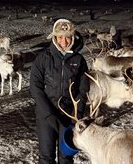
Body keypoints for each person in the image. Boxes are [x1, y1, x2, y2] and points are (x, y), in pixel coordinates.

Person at [30, 18, 90, 164]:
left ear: (73, 37)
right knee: (46, 157)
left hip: (68, 115)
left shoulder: (79, 60)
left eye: (68, 37)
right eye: (60, 37)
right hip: (46, 116)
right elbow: (35, 87)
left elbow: (83, 89)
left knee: (66, 157)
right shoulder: (43, 58)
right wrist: (48, 113)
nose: (64, 41)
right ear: (55, 37)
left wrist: (77, 114)